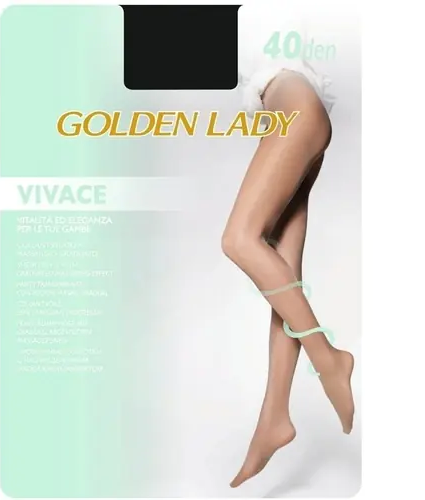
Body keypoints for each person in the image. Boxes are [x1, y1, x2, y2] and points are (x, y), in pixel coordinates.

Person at [223, 6, 355, 489]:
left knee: (238, 239)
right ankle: (274, 415)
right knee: (284, 278)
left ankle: (329, 359)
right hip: (297, 111)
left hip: (294, 103)